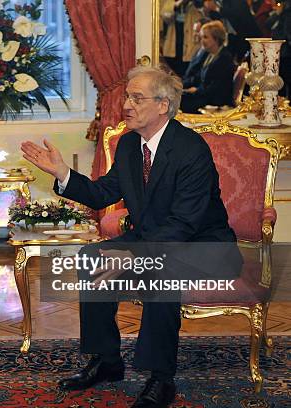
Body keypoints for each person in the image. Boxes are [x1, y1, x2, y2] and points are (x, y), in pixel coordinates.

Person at [21, 66, 241, 408]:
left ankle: (160, 378)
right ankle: (107, 361)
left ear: (163, 105)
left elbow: (183, 223)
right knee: (91, 258)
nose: (127, 104)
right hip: (153, 239)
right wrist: (62, 173)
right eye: (127, 96)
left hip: (203, 244)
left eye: (136, 97)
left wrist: (136, 254)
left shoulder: (190, 149)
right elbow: (100, 193)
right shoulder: (127, 145)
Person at [181, 20, 235, 113]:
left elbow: (216, 88)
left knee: (180, 101)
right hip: (205, 95)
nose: (201, 41)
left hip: (215, 100)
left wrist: (196, 91)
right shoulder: (209, 54)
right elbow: (199, 77)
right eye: (201, 37)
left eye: (205, 37)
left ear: (216, 39)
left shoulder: (224, 58)